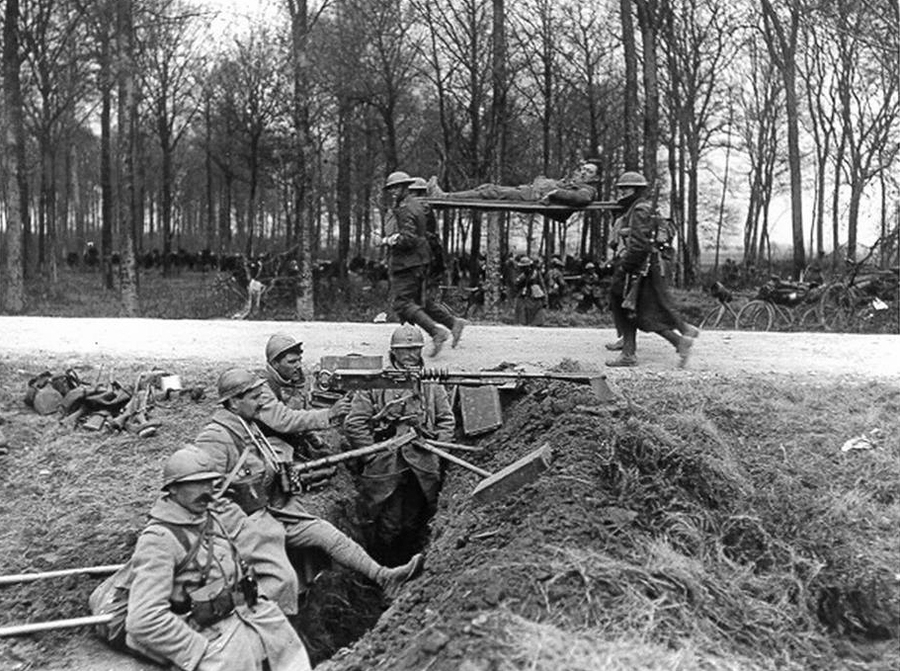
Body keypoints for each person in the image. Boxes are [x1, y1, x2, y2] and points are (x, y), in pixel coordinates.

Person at [194, 368, 425, 616]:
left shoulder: (248, 426)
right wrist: (242, 523)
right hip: (243, 526)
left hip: (272, 509)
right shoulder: (216, 438)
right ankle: (265, 631)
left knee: (327, 534)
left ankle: (384, 577)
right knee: (281, 579)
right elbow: (204, 493)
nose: (261, 401)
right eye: (253, 397)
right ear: (233, 402)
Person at [125, 446, 312, 671]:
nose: (207, 491)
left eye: (210, 483)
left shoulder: (209, 517)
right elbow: (144, 619)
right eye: (196, 483)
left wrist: (260, 601)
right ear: (172, 489)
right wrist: (197, 650)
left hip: (251, 613)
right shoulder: (159, 539)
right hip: (209, 633)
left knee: (293, 655)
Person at [343, 324, 455, 564]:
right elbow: (355, 422)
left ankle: (413, 567)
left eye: (415, 350)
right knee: (387, 521)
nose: (410, 356)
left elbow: (446, 420)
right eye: (404, 351)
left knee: (414, 520)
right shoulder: (376, 382)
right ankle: (382, 568)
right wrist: (371, 456)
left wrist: (439, 454)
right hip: (385, 464)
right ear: (393, 352)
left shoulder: (430, 382)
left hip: (422, 463)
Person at [606, 171, 699, 368]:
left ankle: (630, 354)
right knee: (637, 311)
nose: (622, 192)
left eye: (627, 188)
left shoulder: (640, 209)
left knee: (630, 308)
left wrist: (625, 267)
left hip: (638, 267)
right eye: (621, 188)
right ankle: (678, 340)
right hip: (642, 266)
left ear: (637, 190)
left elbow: (640, 244)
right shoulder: (638, 207)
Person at [382, 170, 467, 356]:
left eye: (397, 187)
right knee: (421, 301)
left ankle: (436, 332)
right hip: (420, 261)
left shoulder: (406, 208)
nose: (393, 191)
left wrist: (392, 239)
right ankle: (452, 323)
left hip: (408, 262)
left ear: (406, 187)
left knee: (402, 303)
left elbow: (410, 238)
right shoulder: (415, 205)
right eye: (391, 188)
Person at [407, 177, 470, 346]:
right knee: (418, 300)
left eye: (412, 192)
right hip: (423, 259)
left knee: (413, 301)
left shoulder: (422, 208)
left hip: (426, 260)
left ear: (420, 193)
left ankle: (436, 331)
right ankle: (448, 325)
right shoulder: (419, 208)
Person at [426, 162, 599, 207]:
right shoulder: (574, 182)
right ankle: (446, 197)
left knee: (490, 191)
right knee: (486, 188)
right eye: (583, 169)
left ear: (596, 177)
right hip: (529, 192)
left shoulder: (589, 189)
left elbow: (581, 199)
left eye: (589, 171)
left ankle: (444, 197)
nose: (583, 172)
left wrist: (555, 192)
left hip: (531, 197)